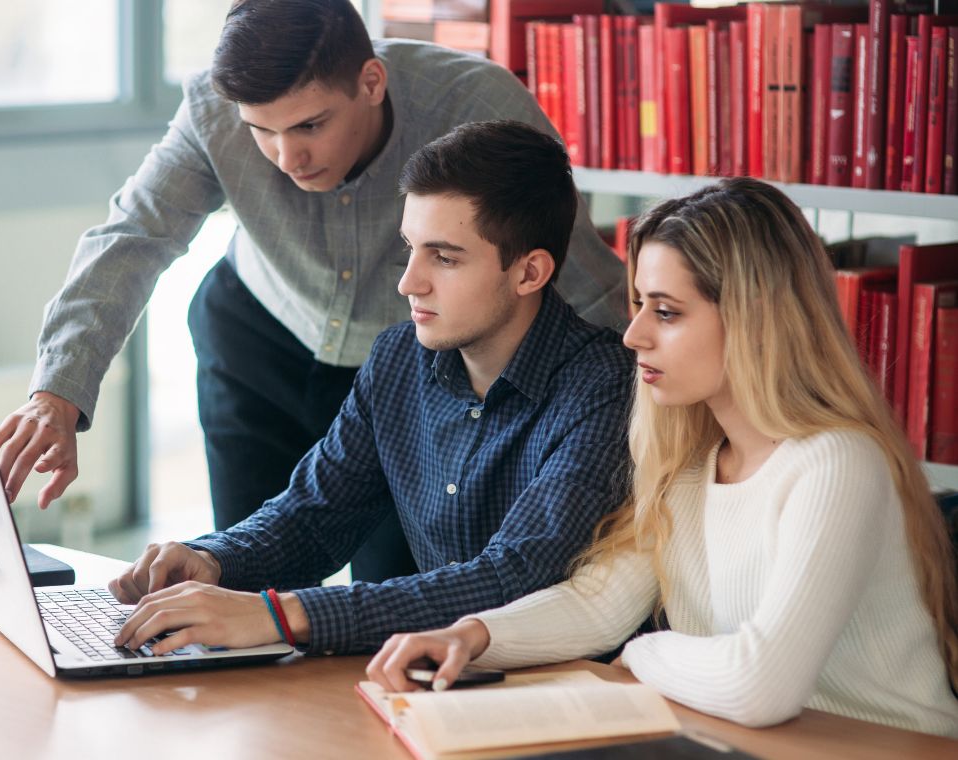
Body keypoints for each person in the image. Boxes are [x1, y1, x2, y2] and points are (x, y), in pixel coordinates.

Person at [0, 0, 627, 584]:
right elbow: (134, 234)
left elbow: (575, 270)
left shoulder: (475, 105)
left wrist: (654, 408)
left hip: (406, 373)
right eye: (262, 132)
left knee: (390, 592)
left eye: (309, 126)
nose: (285, 157)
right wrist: (56, 393)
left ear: (370, 83)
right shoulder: (212, 112)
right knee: (234, 570)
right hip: (258, 343)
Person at [365, 177, 958, 737]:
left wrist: (644, 651)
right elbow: (600, 604)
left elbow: (760, 687)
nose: (634, 335)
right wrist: (469, 636)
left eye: (667, 312)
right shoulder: (693, 466)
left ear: (756, 323)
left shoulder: (835, 462)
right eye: (639, 304)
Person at [106, 120, 634, 658]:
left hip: (567, 695)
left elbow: (512, 580)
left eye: (445, 257)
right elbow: (315, 515)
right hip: (439, 683)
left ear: (530, 273)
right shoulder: (398, 359)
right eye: (410, 248)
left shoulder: (606, 389)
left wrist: (281, 615)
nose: (409, 282)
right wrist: (213, 559)